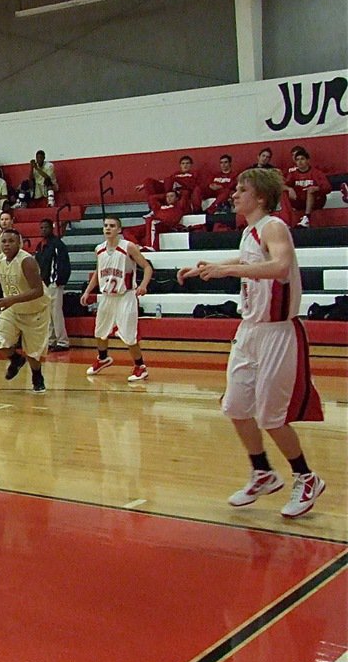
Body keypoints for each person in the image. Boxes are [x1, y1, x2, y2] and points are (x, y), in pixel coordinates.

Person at [178, 168, 325, 518]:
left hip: (277, 331)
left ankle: (306, 477)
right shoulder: (249, 232)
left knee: (272, 417)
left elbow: (279, 267)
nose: (234, 194)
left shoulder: (274, 226)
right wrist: (209, 267)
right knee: (235, 406)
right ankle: (262, 471)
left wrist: (227, 272)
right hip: (249, 331)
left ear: (260, 197)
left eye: (242, 190)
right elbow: (247, 261)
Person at [80, 216, 154, 381]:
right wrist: (87, 291)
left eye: (112, 226)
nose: (108, 228)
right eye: (106, 225)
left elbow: (147, 267)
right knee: (100, 332)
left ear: (119, 230)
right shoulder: (99, 249)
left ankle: (140, 367)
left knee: (129, 335)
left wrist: (143, 285)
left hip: (125, 296)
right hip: (106, 296)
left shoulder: (128, 247)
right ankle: (103, 359)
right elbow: (98, 272)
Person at [0, 229, 51, 393]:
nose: (6, 244)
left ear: (19, 243)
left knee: (33, 351)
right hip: (13, 308)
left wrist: (10, 299)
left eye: (11, 241)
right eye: (4, 241)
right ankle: (16, 359)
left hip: (35, 310)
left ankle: (37, 376)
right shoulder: (0, 258)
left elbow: (37, 291)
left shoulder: (26, 261)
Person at [35, 219, 72, 351]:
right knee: (47, 314)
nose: (43, 230)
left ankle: (62, 341)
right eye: (41, 227)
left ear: (52, 228)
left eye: (46, 227)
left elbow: (64, 264)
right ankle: (51, 340)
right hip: (44, 284)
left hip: (54, 284)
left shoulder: (58, 245)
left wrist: (59, 281)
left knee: (56, 313)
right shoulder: (39, 246)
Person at [283, 149, 331, 228]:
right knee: (283, 191)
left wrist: (316, 188)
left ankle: (307, 218)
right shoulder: (292, 174)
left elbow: (328, 187)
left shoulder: (316, 173)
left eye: (302, 159)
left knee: (310, 190)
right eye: (297, 160)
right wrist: (289, 189)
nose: (300, 162)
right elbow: (282, 186)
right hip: (300, 201)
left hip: (317, 201)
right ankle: (286, 218)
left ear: (308, 160)